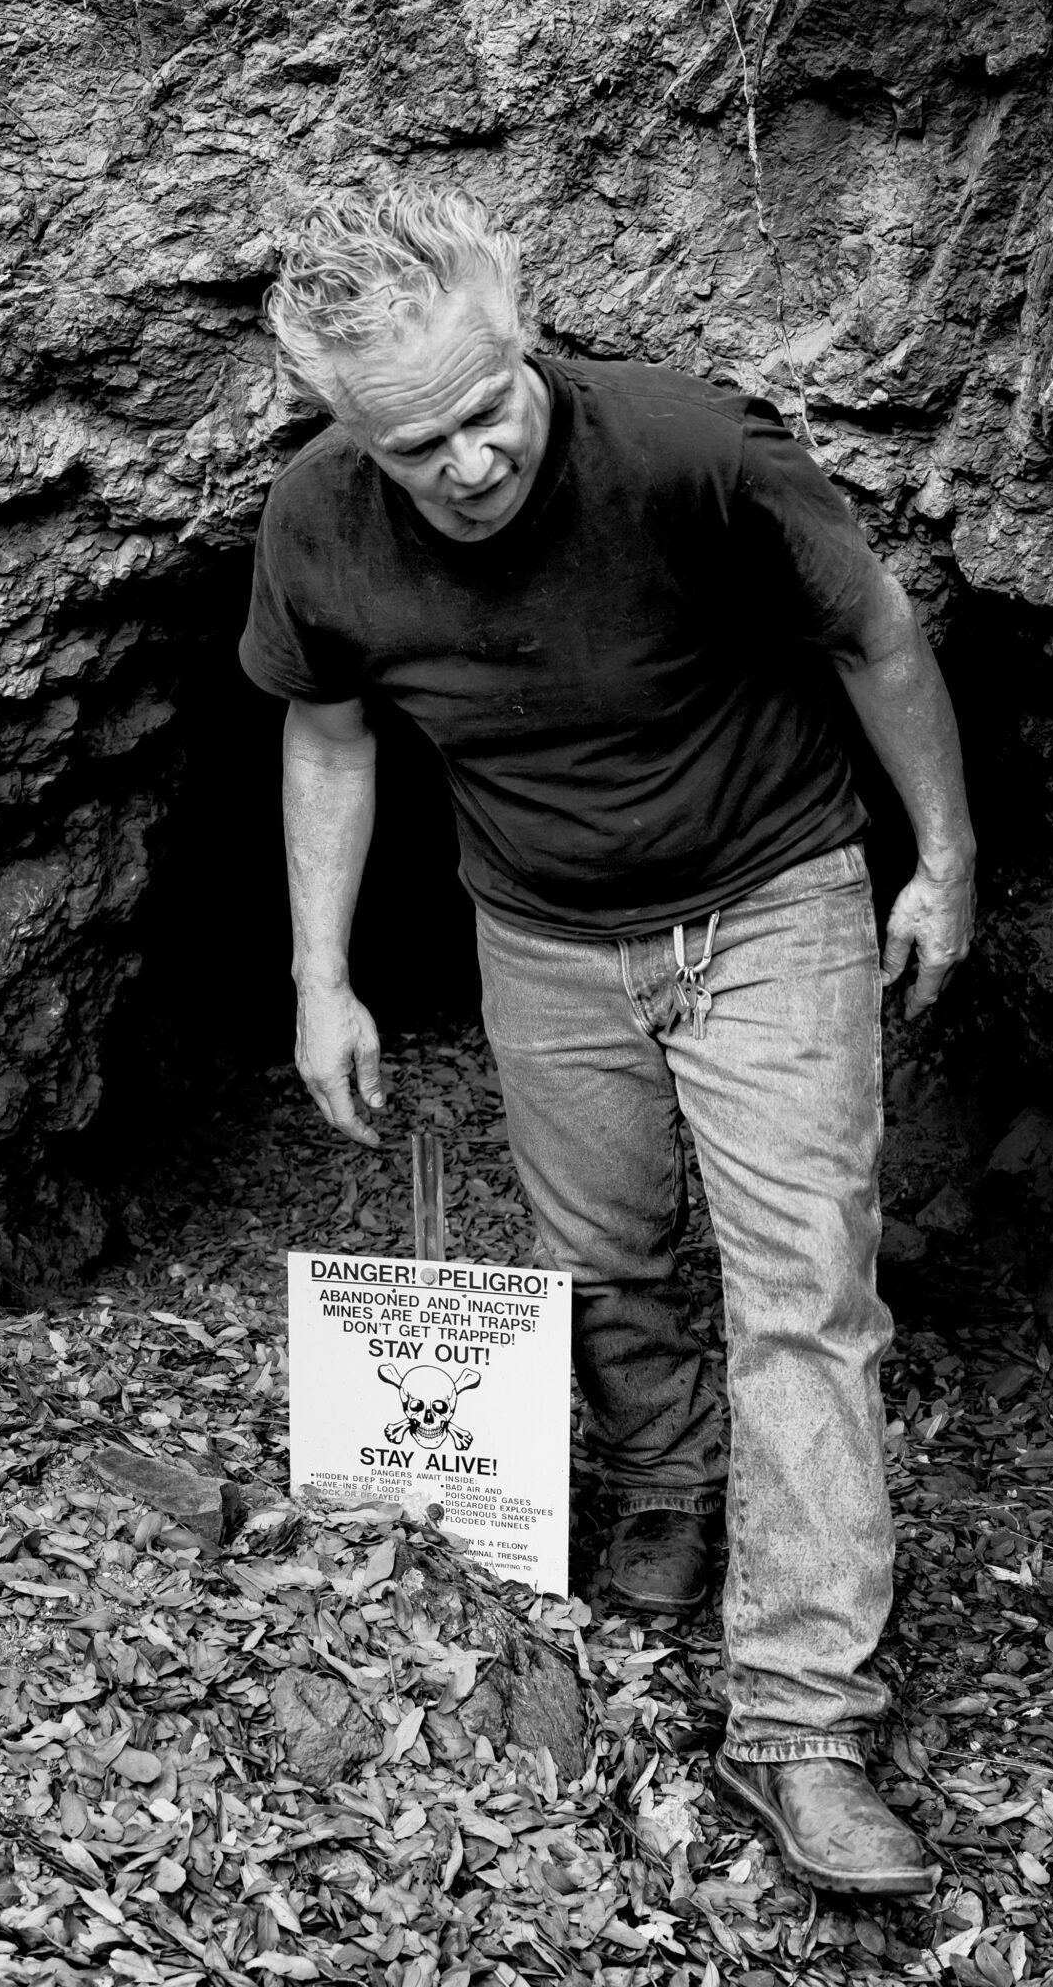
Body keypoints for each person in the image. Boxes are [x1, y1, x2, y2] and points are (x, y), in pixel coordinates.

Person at [238, 184, 976, 1894]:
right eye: (417, 447)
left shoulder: (689, 451)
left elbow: (877, 632)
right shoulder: (319, 526)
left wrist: (941, 861)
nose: (469, 466)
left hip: (772, 892)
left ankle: (805, 1724)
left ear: (524, 335)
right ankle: (662, 1484)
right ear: (352, 434)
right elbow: (330, 740)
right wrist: (316, 977)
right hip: (542, 935)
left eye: (487, 412)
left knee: (802, 1292)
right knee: (599, 1264)